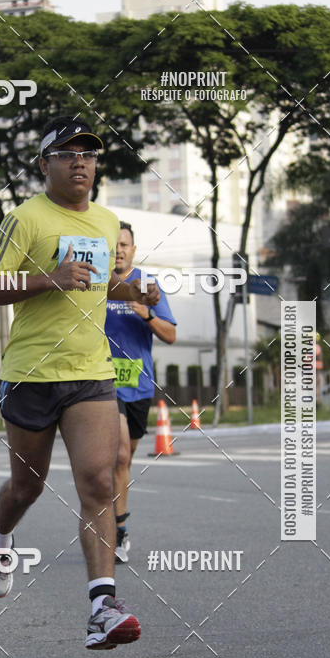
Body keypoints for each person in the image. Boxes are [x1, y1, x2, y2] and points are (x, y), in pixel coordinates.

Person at [0, 115, 160, 650]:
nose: (80, 161)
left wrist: (134, 292)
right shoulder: (25, 219)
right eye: (68, 152)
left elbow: (101, 283)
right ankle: (0, 536)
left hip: (91, 373)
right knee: (26, 487)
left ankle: (103, 605)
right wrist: (47, 279)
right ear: (45, 164)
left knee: (99, 483)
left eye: (89, 153)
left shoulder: (105, 220)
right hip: (31, 373)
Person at [105, 222, 176, 563]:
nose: (118, 249)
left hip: (139, 384)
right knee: (119, 455)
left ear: (133, 250)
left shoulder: (148, 285)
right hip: (102, 382)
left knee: (125, 458)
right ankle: (118, 531)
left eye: (124, 244)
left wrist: (146, 313)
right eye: (113, 244)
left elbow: (171, 335)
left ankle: (107, 513)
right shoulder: (98, 285)